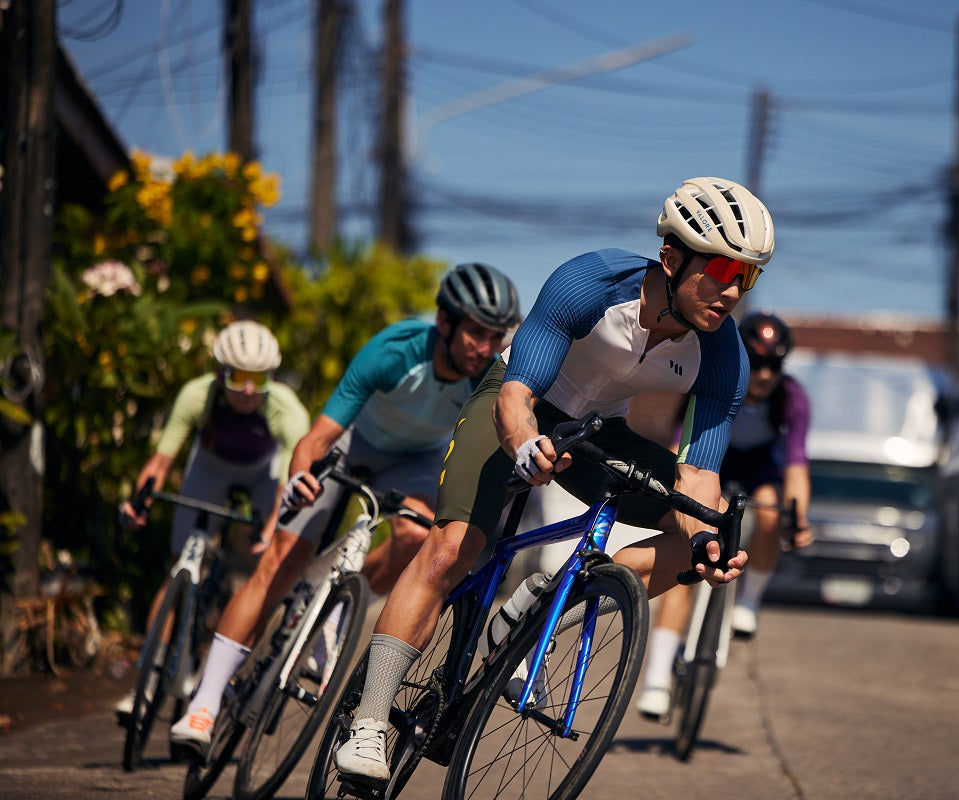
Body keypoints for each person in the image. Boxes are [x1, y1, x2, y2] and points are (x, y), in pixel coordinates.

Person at [333, 176, 775, 784]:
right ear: (672, 256)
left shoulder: (724, 356)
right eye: (723, 268)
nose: (732, 290)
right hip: (520, 405)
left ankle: (544, 607)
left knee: (695, 539)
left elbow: (699, 472)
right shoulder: (591, 282)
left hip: (600, 431)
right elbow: (517, 395)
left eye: (747, 276)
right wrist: (523, 446)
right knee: (452, 545)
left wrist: (707, 541)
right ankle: (368, 721)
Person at [168, 263, 522, 749]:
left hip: (414, 460)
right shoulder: (394, 353)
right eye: (475, 334)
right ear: (445, 323)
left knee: (418, 537)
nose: (484, 348)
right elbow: (316, 437)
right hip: (352, 445)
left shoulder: (486, 374)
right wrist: (299, 479)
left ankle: (338, 608)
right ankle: (203, 704)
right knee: (281, 560)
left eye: (494, 336)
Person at [115, 320, 311, 722]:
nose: (250, 390)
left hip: (263, 475)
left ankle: (223, 675)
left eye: (260, 378)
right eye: (238, 378)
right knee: (180, 566)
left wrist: (272, 528)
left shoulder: (287, 410)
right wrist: (140, 502)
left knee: (269, 564)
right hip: (211, 468)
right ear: (220, 374)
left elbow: (290, 482)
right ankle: (148, 682)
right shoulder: (196, 395)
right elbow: (161, 459)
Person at [635, 310, 812, 718]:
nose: (765, 375)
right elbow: (680, 451)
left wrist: (798, 518)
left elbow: (797, 468)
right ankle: (657, 677)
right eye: (758, 363)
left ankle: (748, 603)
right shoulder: (717, 380)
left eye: (775, 366)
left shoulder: (793, 398)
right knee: (693, 552)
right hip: (712, 461)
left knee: (770, 513)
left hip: (759, 467)